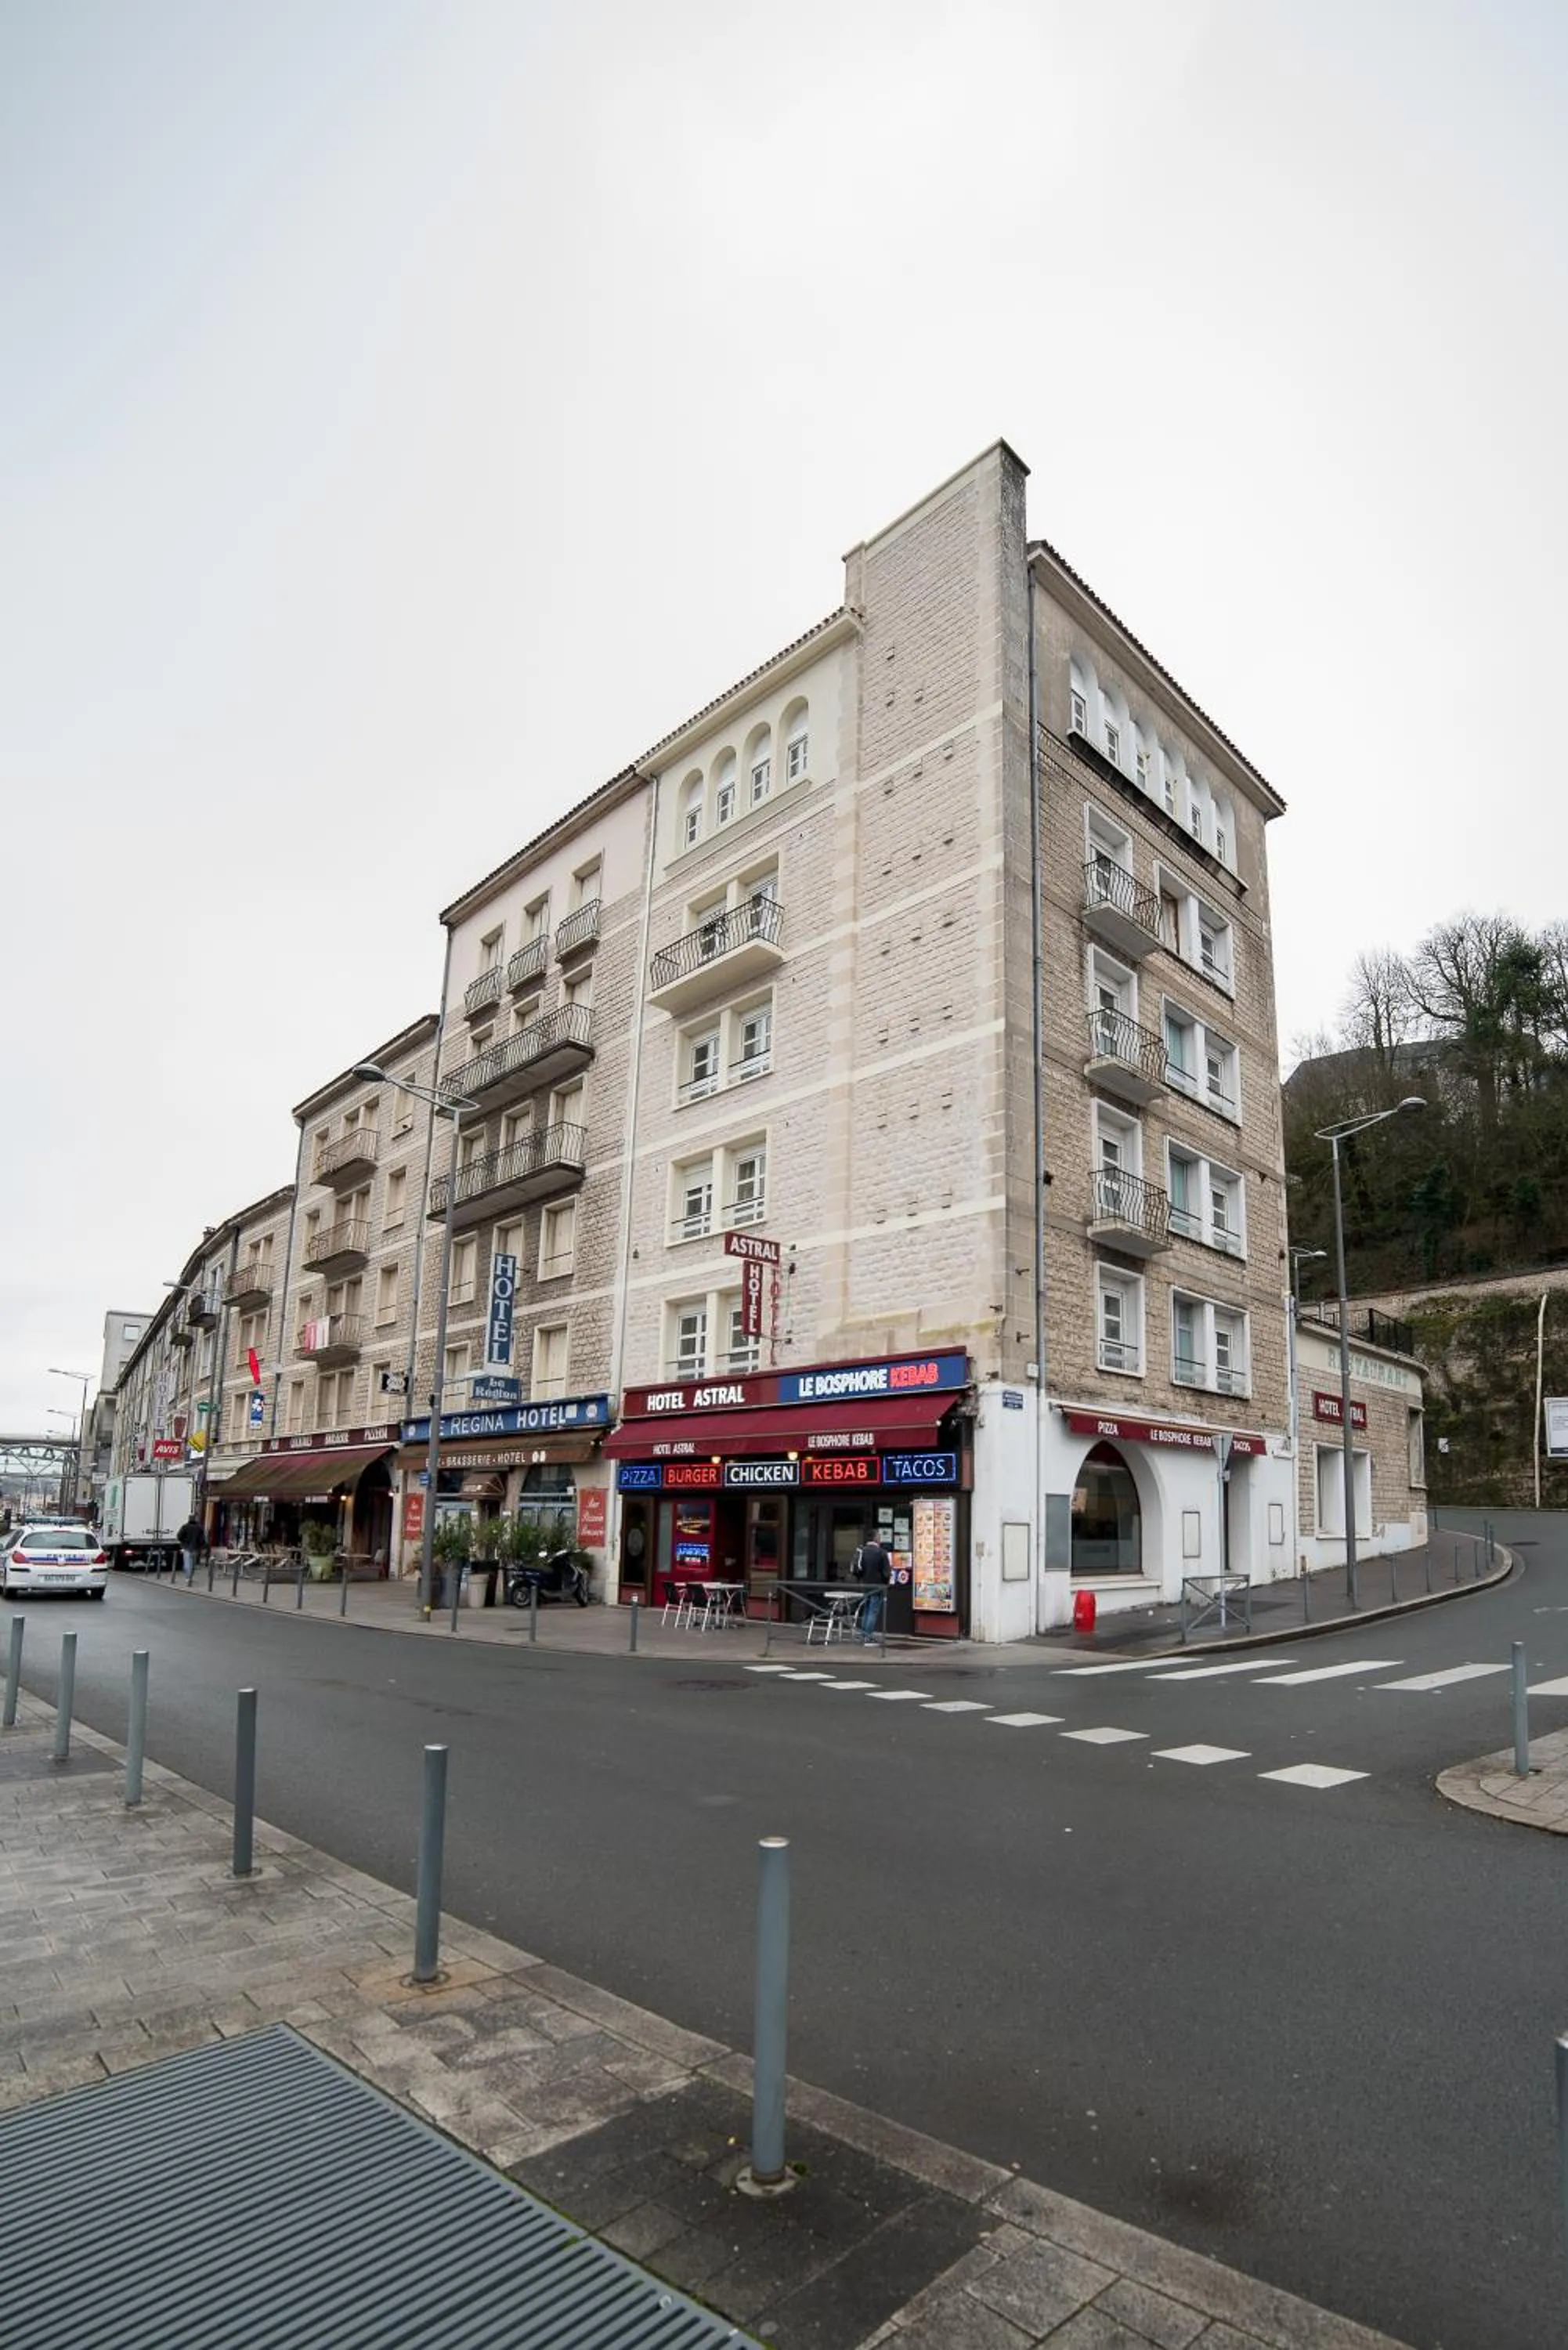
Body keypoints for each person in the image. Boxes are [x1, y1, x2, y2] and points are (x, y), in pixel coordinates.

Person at [854, 1532, 891, 1646]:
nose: (881, 1539)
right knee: (873, 1611)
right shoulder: (881, 1553)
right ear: (876, 1538)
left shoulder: (862, 1551)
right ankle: (868, 1637)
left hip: (865, 1585)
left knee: (866, 1610)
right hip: (877, 1586)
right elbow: (886, 1573)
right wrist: (886, 1583)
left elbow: (858, 1570)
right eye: (879, 1537)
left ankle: (864, 1634)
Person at [174, 1514, 208, 1586]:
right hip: (196, 1548)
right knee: (193, 1564)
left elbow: (179, 1536)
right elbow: (202, 1540)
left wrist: (183, 1543)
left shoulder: (185, 1527)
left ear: (189, 1519)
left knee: (187, 1563)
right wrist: (202, 1547)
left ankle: (188, 1578)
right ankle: (190, 1577)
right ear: (195, 1519)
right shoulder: (199, 1528)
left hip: (186, 1548)